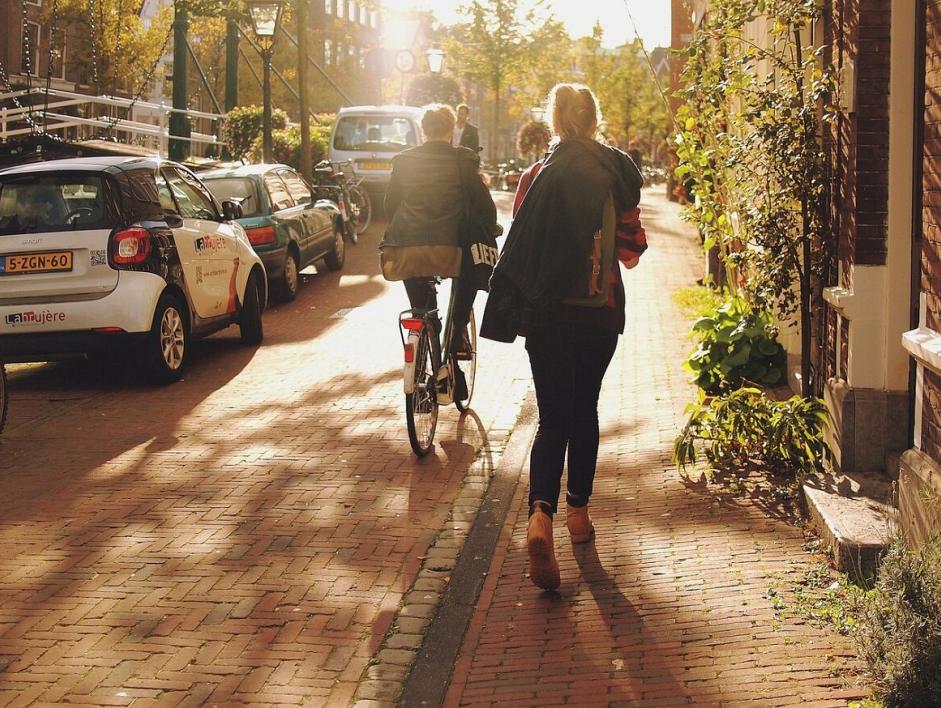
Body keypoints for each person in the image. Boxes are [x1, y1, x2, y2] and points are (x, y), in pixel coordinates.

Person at [481, 83, 647, 591]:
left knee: (552, 418)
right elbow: (632, 249)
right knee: (586, 410)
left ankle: (539, 518)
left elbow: (523, 239)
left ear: (554, 120)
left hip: (547, 315)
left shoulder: (535, 176)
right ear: (595, 120)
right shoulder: (617, 173)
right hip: (599, 315)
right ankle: (579, 516)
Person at [383, 104, 498, 399]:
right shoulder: (462, 160)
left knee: (423, 308)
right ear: (451, 130)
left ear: (423, 130)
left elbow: (389, 206)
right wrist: (491, 228)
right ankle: (457, 333)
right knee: (469, 278)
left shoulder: (403, 161)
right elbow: (484, 205)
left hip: (406, 248)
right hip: (452, 247)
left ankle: (427, 349)